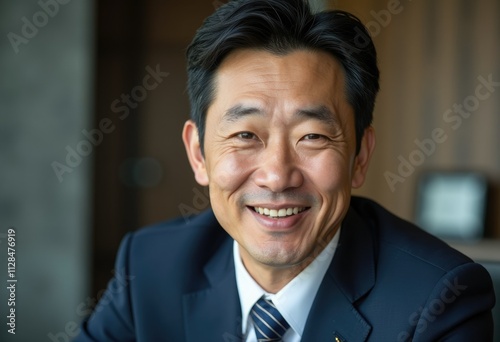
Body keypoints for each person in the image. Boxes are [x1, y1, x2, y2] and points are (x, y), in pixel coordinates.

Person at [75, 0, 496, 341]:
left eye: (312, 136)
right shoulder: (150, 266)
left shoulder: (438, 301)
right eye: (244, 135)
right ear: (199, 153)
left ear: (360, 156)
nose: (277, 176)